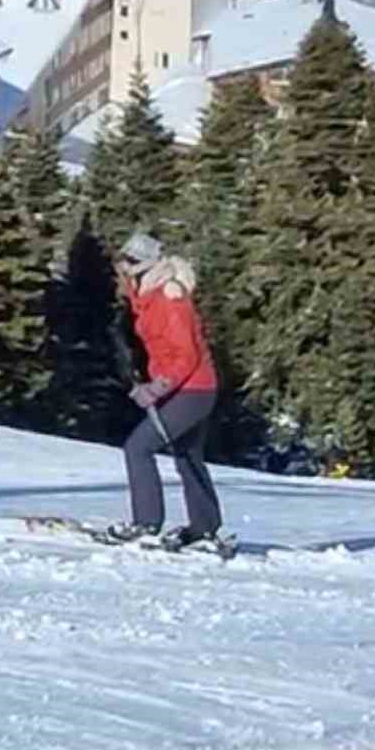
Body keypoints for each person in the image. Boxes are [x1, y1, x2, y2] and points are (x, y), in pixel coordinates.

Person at [112, 231, 223, 549]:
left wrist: (157, 388)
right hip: (190, 389)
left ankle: (147, 522)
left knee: (138, 448)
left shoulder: (168, 299)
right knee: (187, 454)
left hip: (192, 389)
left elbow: (184, 355)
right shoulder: (150, 298)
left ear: (140, 267)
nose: (121, 274)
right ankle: (205, 528)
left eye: (125, 266)